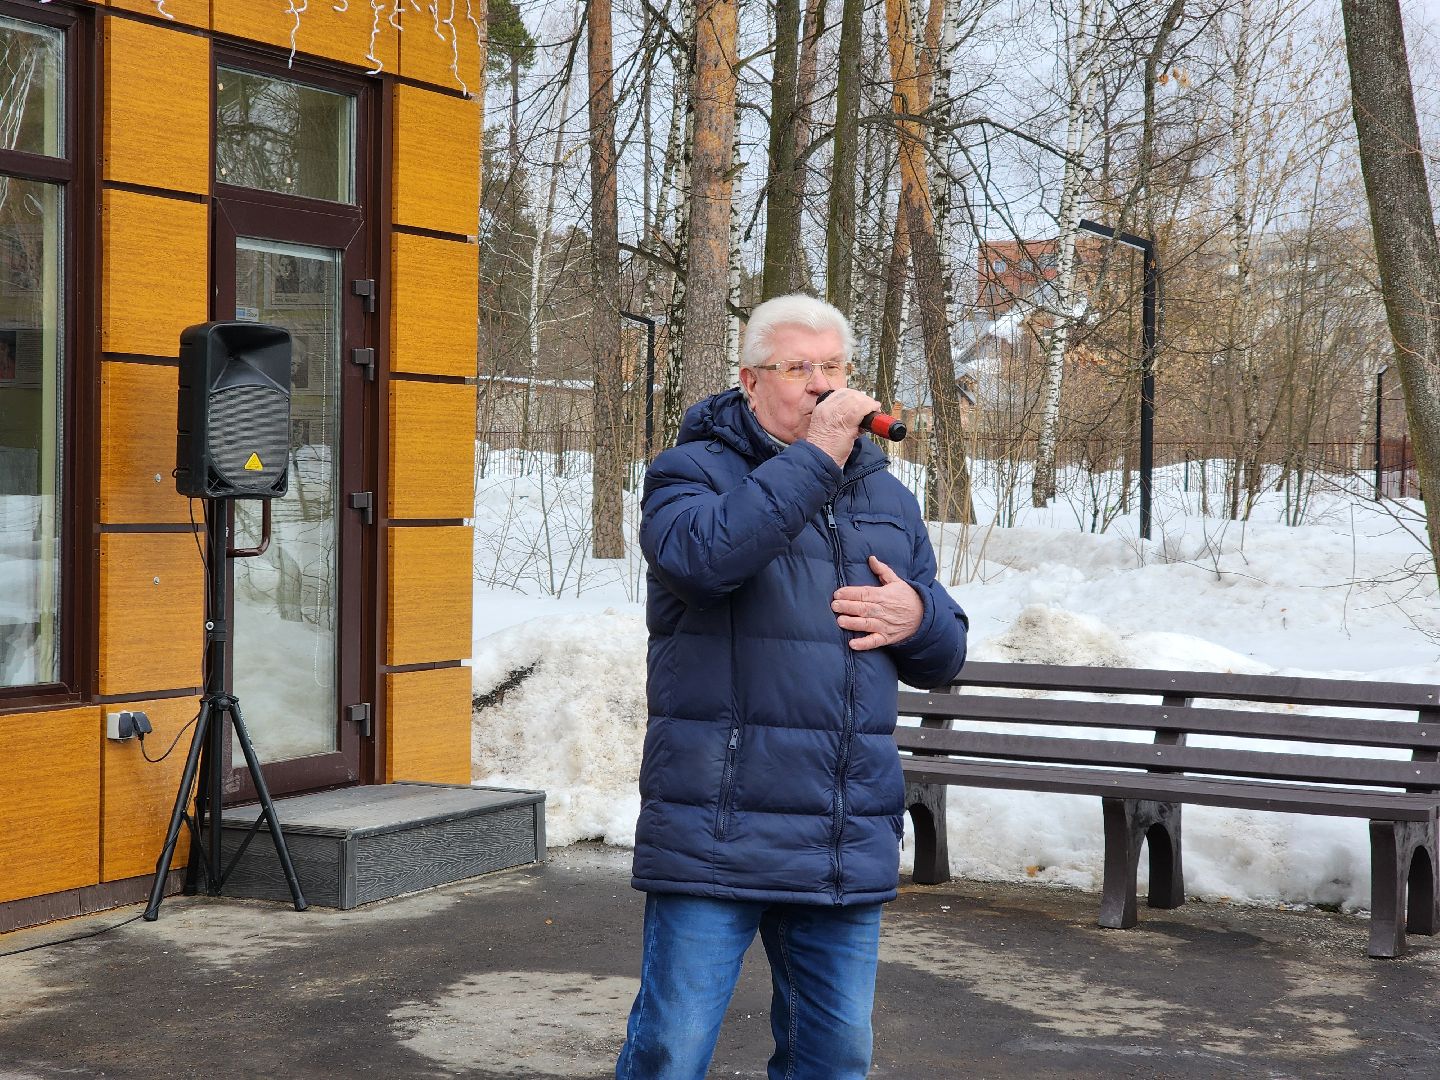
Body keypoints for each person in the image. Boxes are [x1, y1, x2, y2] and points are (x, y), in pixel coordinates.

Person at [616, 293, 969, 1080]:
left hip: (841, 830)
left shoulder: (888, 498)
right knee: (672, 1050)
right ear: (749, 381)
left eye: (833, 366)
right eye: (797, 367)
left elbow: (943, 657)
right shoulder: (687, 473)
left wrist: (919, 618)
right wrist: (818, 454)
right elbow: (703, 560)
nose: (821, 383)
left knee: (835, 1057)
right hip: (715, 824)